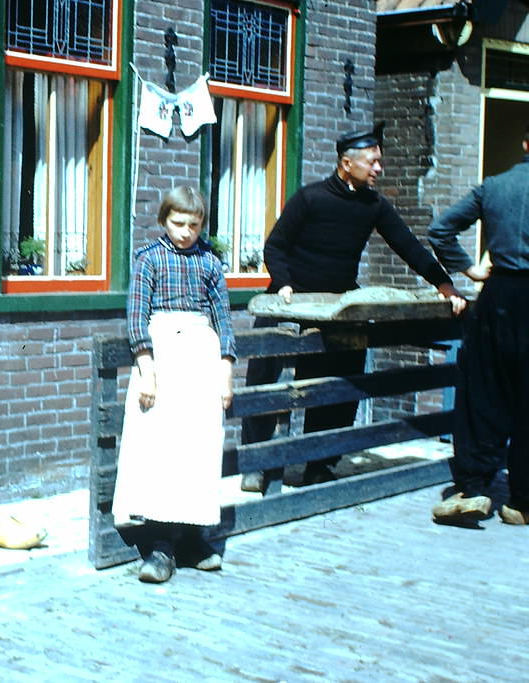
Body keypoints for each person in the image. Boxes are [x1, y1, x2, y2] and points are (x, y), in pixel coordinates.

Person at [240, 122, 466, 492]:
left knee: (339, 381)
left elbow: (408, 246)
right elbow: (275, 246)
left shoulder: (373, 206)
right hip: (289, 301)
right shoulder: (309, 198)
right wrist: (282, 282)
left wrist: (443, 284)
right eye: (373, 162)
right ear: (347, 163)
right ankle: (257, 464)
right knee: (265, 381)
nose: (379, 169)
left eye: (380, 162)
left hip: (340, 305)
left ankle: (320, 461)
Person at [112, 186, 235, 583]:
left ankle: (193, 540)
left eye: (193, 225)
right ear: (164, 220)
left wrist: (226, 372)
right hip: (161, 357)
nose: (185, 232)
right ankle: (160, 548)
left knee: (196, 449)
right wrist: (148, 371)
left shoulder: (211, 264)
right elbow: (136, 319)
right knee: (160, 449)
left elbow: (224, 322)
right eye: (178, 223)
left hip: (201, 356)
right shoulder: (148, 260)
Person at [426, 125, 529, 527]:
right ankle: (521, 502)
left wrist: (469, 268)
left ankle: (475, 488)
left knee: (485, 393)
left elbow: (440, 230)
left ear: (524, 143)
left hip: (499, 296)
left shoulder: (494, 187)